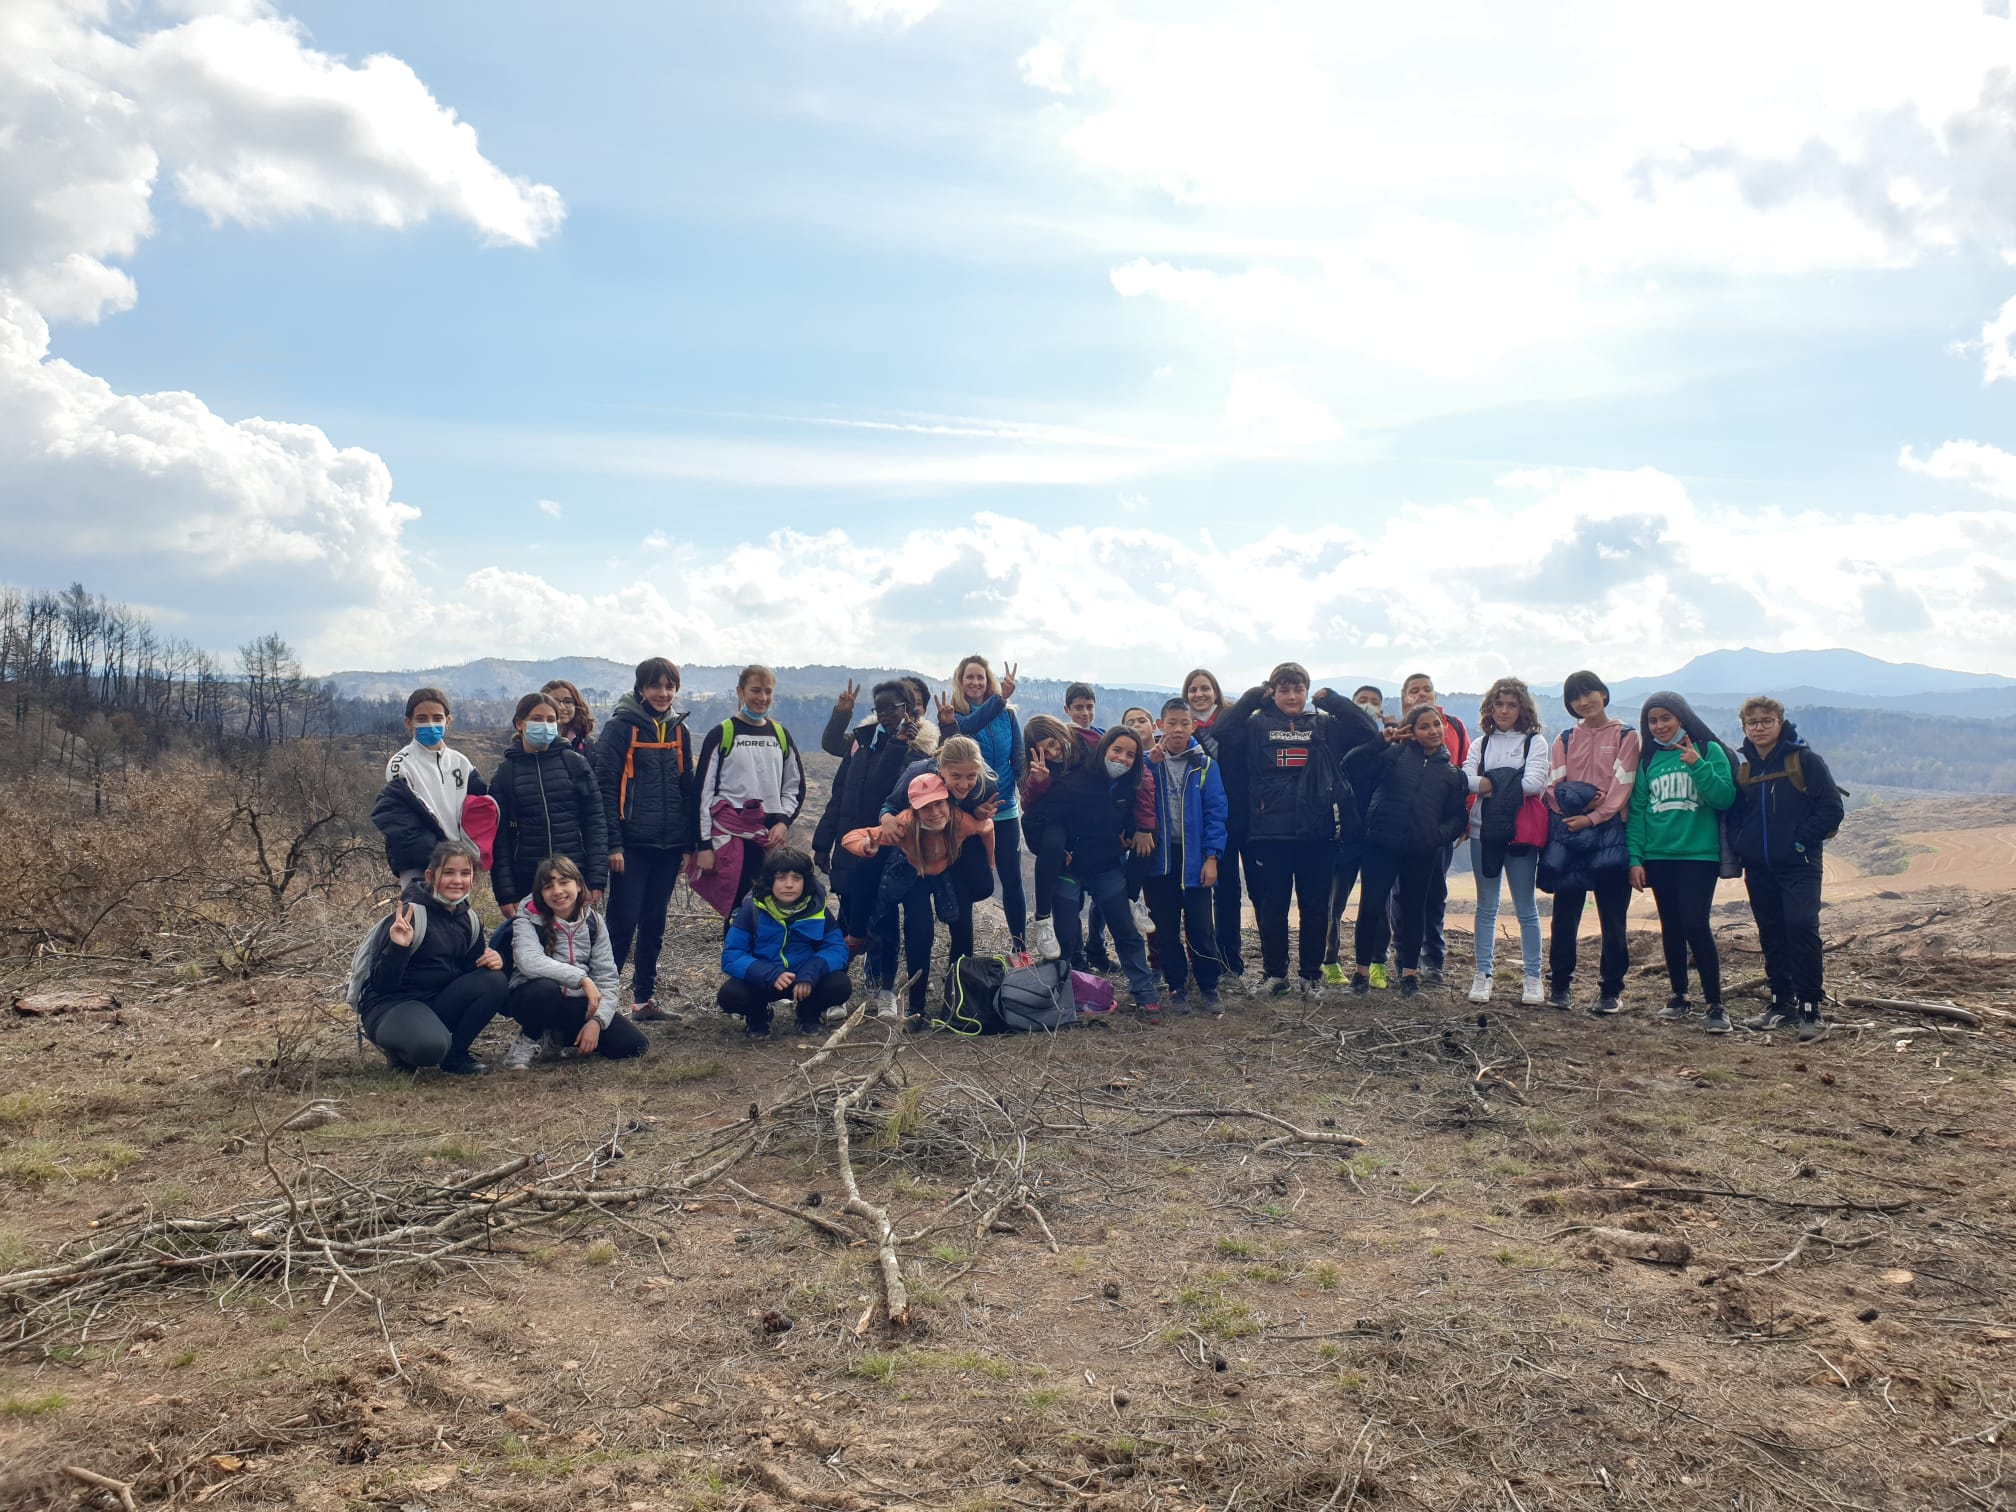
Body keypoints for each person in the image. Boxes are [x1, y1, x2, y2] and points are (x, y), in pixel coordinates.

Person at [1215, 664, 1378, 997]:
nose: (1291, 696)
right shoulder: (1255, 725)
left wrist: (1333, 700)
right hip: (1267, 833)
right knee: (1271, 908)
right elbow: (1221, 733)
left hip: (1317, 831)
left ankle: (1311, 975)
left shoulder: (1324, 725)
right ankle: (1275, 975)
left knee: (1315, 907)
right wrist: (1248, 700)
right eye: (1284, 689)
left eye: (1298, 689)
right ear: (1272, 692)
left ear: (1307, 692)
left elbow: (1368, 732)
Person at [1024, 726, 1161, 1020]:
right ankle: (1061, 997)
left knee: (1125, 929)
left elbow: (1141, 820)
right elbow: (1035, 817)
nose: (1122, 759)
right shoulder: (1075, 783)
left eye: (1130, 755)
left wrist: (1135, 832)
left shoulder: (1131, 787)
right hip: (1071, 869)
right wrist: (1051, 848)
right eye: (1117, 751)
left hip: (1106, 867)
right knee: (1065, 934)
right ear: (1103, 750)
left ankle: (1145, 993)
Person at [1729, 698, 1843, 1043]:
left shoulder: (1804, 761)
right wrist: (1743, 845)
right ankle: (1781, 1004)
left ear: (1781, 722)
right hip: (1759, 868)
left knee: (1801, 928)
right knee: (1772, 933)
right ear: (1744, 727)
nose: (1760, 727)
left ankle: (1810, 1007)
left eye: (1767, 721)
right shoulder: (1747, 769)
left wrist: (1798, 842)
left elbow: (1831, 810)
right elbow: (1736, 815)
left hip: (1800, 865)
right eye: (1753, 722)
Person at [1628, 691, 1739, 1033]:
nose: (1659, 726)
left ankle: (1716, 1004)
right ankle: (1679, 995)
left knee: (1695, 923)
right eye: (1653, 721)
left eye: (1666, 718)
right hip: (1659, 856)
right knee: (1672, 926)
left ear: (1682, 718)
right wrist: (1635, 858)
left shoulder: (1709, 751)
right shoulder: (1649, 760)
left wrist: (1697, 764)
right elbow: (1637, 812)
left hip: (1698, 856)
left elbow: (1724, 797)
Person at [593, 657, 697, 1023]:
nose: (663, 693)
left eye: (669, 687)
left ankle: (643, 1001)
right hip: (632, 846)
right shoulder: (620, 728)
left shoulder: (678, 731)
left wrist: (689, 844)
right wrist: (613, 844)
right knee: (621, 923)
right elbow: (603, 788)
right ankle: (602, 1002)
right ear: (641, 689)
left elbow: (688, 790)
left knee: (654, 923)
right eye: (656, 686)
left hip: (668, 846)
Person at [844, 771, 994, 1020]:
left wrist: (989, 862)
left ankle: (960, 1000)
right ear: (914, 809)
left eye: (939, 804)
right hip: (916, 873)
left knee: (963, 927)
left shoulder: (959, 820)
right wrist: (866, 847)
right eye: (926, 807)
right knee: (920, 932)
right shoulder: (903, 823)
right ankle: (917, 1008)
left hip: (948, 870)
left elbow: (986, 827)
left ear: (948, 801)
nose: (935, 812)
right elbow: (852, 837)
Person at [353, 839, 506, 1074]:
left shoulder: (470, 919)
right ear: (431, 875)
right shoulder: (409, 914)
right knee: (430, 1048)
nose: (457, 880)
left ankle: (456, 1057)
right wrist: (398, 949)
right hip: (392, 1005)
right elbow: (382, 985)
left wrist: (492, 959)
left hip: (435, 1002)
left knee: (494, 980)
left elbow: (469, 975)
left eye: (465, 873)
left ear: (473, 878)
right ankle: (401, 1052)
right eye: (449, 872)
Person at [1347, 704, 1469, 997]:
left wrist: (1435, 836)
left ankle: (1409, 977)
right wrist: (1380, 741)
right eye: (1425, 726)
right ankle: (1361, 975)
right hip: (1380, 845)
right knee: (1371, 908)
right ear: (1411, 732)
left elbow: (1458, 818)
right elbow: (1351, 766)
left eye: (1437, 724)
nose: (1433, 731)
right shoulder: (1394, 756)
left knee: (1415, 912)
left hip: (1421, 851)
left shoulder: (1452, 774)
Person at [1541, 671, 1639, 1015]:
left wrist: (1593, 816)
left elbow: (1622, 785)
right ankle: (1560, 985)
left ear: (1604, 693)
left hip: (1612, 835)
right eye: (1576, 697)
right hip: (1571, 835)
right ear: (1570, 704)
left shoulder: (1627, 737)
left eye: (1589, 693)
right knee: (1565, 914)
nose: (1584, 702)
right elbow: (1552, 789)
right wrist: (1580, 807)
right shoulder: (1564, 739)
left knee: (1613, 916)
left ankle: (1611, 990)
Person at [814, 681, 932, 950]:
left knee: (882, 919)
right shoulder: (863, 742)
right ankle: (838, 972)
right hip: (850, 843)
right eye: (880, 708)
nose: (886, 714)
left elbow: (884, 786)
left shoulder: (918, 751)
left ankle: (881, 980)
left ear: (909, 710)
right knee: (848, 914)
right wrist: (822, 843)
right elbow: (839, 795)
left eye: (893, 708)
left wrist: (900, 743)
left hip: (886, 846)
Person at [500, 855, 647, 1069]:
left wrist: (597, 1021)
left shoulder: (593, 922)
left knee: (634, 1046)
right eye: (548, 886)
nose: (557, 891)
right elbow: (528, 961)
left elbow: (606, 977)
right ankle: (530, 1038)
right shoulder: (527, 920)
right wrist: (582, 980)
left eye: (564, 882)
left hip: (578, 1003)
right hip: (534, 998)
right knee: (544, 990)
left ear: (578, 885)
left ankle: (558, 1037)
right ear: (540, 894)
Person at [1460, 678, 1550, 1005]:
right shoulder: (1481, 744)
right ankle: (1482, 975)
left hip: (1520, 834)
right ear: (1490, 707)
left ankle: (1532, 978)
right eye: (1499, 704)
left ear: (1522, 708)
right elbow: (1465, 780)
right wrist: (1507, 779)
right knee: (1486, 906)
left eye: (1511, 705)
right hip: (1483, 832)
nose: (1504, 710)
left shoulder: (1534, 742)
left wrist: (1490, 782)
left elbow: (1534, 782)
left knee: (1526, 908)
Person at [693, 665, 806, 917]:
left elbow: (795, 786)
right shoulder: (723, 733)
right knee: (737, 912)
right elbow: (701, 794)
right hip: (730, 838)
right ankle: (735, 957)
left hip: (769, 837)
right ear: (740, 692)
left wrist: (784, 822)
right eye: (755, 690)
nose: (762, 698)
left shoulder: (780, 734)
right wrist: (703, 846)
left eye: (768, 691)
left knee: (770, 909)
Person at [490, 691, 610, 917]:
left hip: (573, 877)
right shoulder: (505, 774)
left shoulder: (575, 764)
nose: (544, 725)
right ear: (520, 723)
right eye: (537, 719)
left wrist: (596, 879)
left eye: (550, 720)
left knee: (575, 947)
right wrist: (505, 894)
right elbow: (500, 838)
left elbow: (595, 823)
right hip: (527, 880)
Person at [1143, 698, 1228, 1012]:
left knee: (1202, 928)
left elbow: (1216, 814)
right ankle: (1177, 986)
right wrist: (1148, 765)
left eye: (1184, 723)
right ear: (1159, 724)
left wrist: (1212, 858)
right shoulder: (1147, 761)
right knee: (1165, 928)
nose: (1177, 729)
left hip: (1195, 859)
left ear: (1194, 726)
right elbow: (1128, 798)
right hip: (1160, 860)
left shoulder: (1205, 765)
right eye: (1171, 722)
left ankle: (1208, 985)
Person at [939, 656, 1027, 951]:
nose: (975, 683)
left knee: (1013, 880)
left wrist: (1026, 788)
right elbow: (964, 732)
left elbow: (1018, 757)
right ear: (959, 682)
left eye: (980, 677)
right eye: (969, 678)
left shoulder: (1009, 716)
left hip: (1004, 811)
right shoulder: (955, 718)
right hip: (968, 816)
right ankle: (963, 956)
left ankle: (1020, 948)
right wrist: (1000, 698)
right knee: (970, 885)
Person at [1387, 673, 1470, 983]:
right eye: (1414, 691)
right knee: (1400, 896)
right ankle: (1402, 955)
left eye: (1427, 690)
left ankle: (1434, 957)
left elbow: (1464, 772)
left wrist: (1463, 819)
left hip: (1439, 830)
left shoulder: (1455, 728)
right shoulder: (1398, 735)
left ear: (1436, 695)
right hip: (1401, 833)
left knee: (1435, 894)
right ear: (1405, 698)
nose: (1422, 695)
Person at [718, 847, 853, 1037]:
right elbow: (732, 955)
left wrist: (811, 972)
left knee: (840, 985)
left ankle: (808, 1014)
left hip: (805, 981)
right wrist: (769, 974)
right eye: (781, 878)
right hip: (764, 980)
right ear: (770, 880)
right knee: (730, 995)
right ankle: (758, 1016)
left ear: (805, 881)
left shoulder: (817, 907)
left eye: (796, 878)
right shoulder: (752, 908)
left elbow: (837, 948)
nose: (789, 885)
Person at [372, 688, 488, 887]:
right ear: (409, 723)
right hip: (419, 862)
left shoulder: (460, 761)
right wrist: (439, 857)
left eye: (437, 717)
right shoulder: (401, 764)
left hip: (459, 861)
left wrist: (471, 852)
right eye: (422, 718)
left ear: (448, 721)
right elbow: (404, 821)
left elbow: (479, 807)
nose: (430, 724)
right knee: (420, 914)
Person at [541, 678, 597, 758]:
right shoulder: (534, 744)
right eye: (555, 702)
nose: (561, 707)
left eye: (568, 702)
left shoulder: (589, 745)